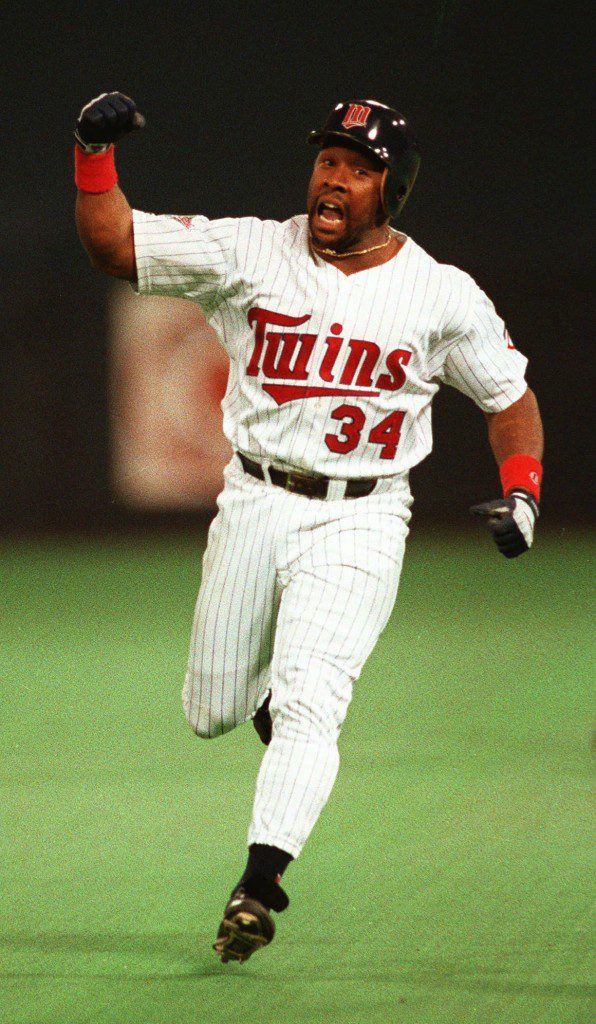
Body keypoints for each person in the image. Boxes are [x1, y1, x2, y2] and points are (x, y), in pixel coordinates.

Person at [74, 93, 544, 963]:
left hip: (363, 516)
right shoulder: (254, 248)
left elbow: (508, 397)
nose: (335, 178)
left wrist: (523, 490)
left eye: (358, 167)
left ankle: (260, 881)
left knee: (311, 702)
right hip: (254, 499)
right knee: (211, 711)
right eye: (328, 159)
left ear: (390, 189)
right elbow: (116, 244)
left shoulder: (440, 293)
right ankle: (265, 711)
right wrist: (91, 154)